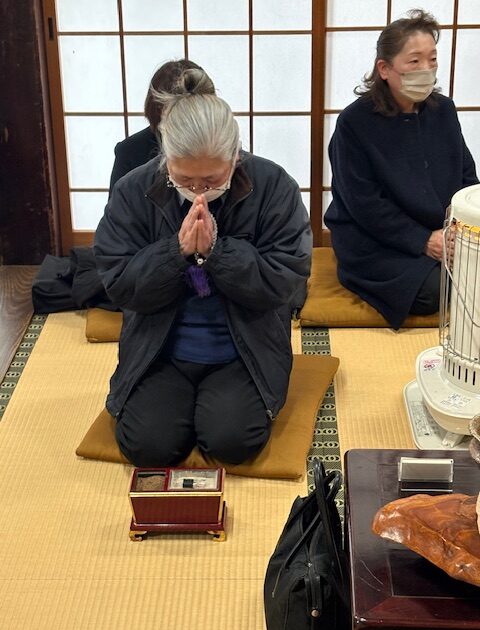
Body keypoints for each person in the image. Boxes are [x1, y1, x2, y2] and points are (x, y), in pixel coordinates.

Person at [94, 68, 312, 468]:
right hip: (160, 348)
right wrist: (174, 252)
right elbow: (119, 283)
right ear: (165, 159)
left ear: (235, 157)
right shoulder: (134, 189)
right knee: (148, 447)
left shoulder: (273, 186)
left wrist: (218, 253)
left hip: (244, 348)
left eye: (211, 180)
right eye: (184, 179)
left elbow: (285, 281)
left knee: (233, 442)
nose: (198, 192)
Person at [324, 9, 478, 330]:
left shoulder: (443, 110)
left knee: (468, 275)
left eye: (432, 59)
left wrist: (458, 229)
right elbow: (364, 204)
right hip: (375, 239)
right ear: (384, 68)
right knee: (433, 292)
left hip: (441, 231)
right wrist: (424, 240)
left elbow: (466, 176)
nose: (427, 69)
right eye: (414, 61)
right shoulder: (355, 123)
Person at [108, 59, 214, 194]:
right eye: (177, 110)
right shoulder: (130, 151)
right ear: (159, 109)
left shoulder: (222, 146)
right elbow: (118, 205)